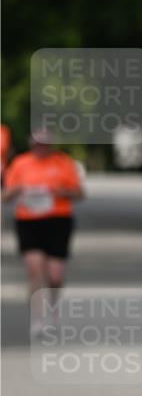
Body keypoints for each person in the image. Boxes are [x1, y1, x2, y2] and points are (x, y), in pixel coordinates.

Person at [2, 127, 85, 333]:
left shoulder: (63, 163)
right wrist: (17, 190)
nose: (41, 148)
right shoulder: (21, 163)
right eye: (37, 144)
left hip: (57, 221)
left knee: (55, 276)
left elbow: (79, 193)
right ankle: (38, 318)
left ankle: (54, 310)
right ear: (31, 145)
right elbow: (5, 196)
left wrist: (61, 192)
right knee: (35, 270)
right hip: (28, 221)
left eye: (45, 144)